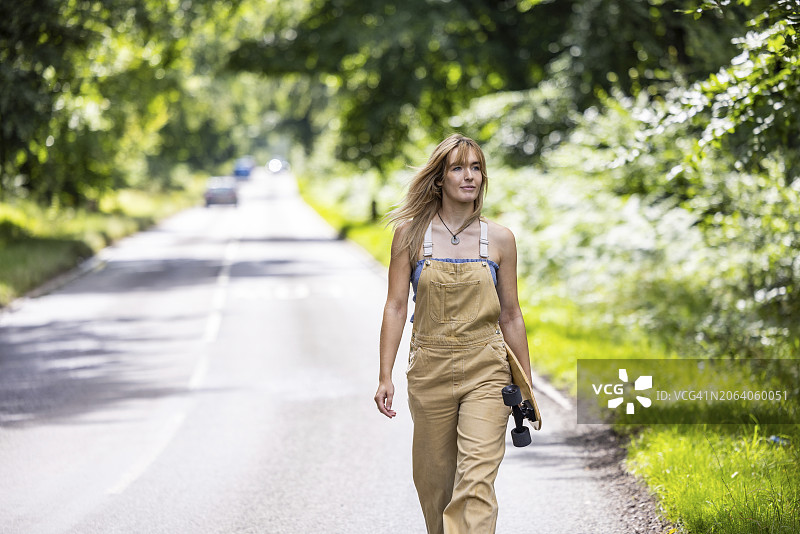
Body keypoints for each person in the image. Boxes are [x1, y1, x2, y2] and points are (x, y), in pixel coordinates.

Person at [373, 134, 533, 534]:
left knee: (476, 482)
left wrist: (525, 385)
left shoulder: (500, 239)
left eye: (476, 168)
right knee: (436, 488)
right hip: (429, 369)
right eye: (458, 168)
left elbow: (511, 315)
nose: (469, 176)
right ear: (439, 178)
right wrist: (384, 375)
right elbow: (395, 306)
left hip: (487, 368)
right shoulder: (410, 235)